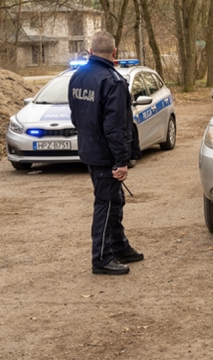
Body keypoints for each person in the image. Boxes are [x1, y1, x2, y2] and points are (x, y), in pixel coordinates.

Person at [68, 31, 143, 275]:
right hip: (106, 155)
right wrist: (121, 161)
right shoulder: (113, 81)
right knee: (107, 204)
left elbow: (75, 116)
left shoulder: (78, 77)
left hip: (90, 150)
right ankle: (101, 258)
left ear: (90, 51)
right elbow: (115, 127)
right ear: (114, 53)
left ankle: (119, 247)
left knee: (115, 201)